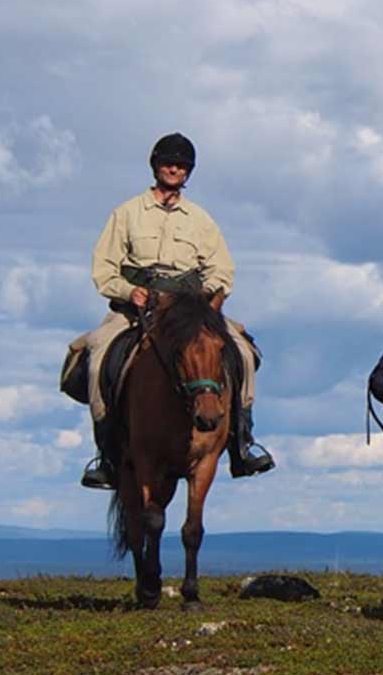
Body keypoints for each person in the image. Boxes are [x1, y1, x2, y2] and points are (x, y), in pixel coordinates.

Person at [75, 132, 275, 490]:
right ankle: (105, 454)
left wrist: (210, 296)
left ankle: (243, 442)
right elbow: (104, 267)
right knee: (95, 354)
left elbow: (221, 268)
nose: (174, 169)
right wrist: (128, 290)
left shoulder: (200, 219)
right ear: (156, 166)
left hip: (190, 309)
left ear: (188, 172)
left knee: (242, 351)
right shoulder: (126, 213)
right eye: (169, 163)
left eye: (181, 165)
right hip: (137, 307)